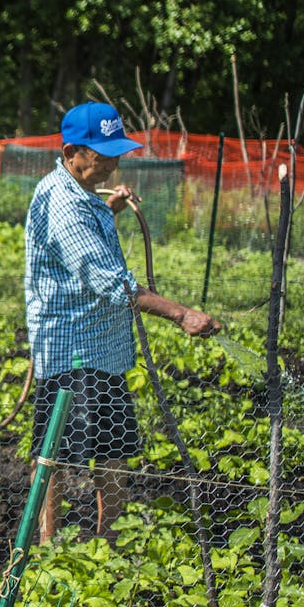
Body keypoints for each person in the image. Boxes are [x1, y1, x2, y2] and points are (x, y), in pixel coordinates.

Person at [25, 101, 219, 543]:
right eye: (102, 154)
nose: (113, 162)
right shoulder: (64, 204)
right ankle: (45, 544)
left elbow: (78, 250)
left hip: (102, 347)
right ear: (72, 151)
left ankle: (105, 544)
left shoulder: (75, 191)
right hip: (74, 348)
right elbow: (110, 283)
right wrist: (181, 313)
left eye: (116, 152)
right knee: (54, 451)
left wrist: (109, 208)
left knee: (112, 448)